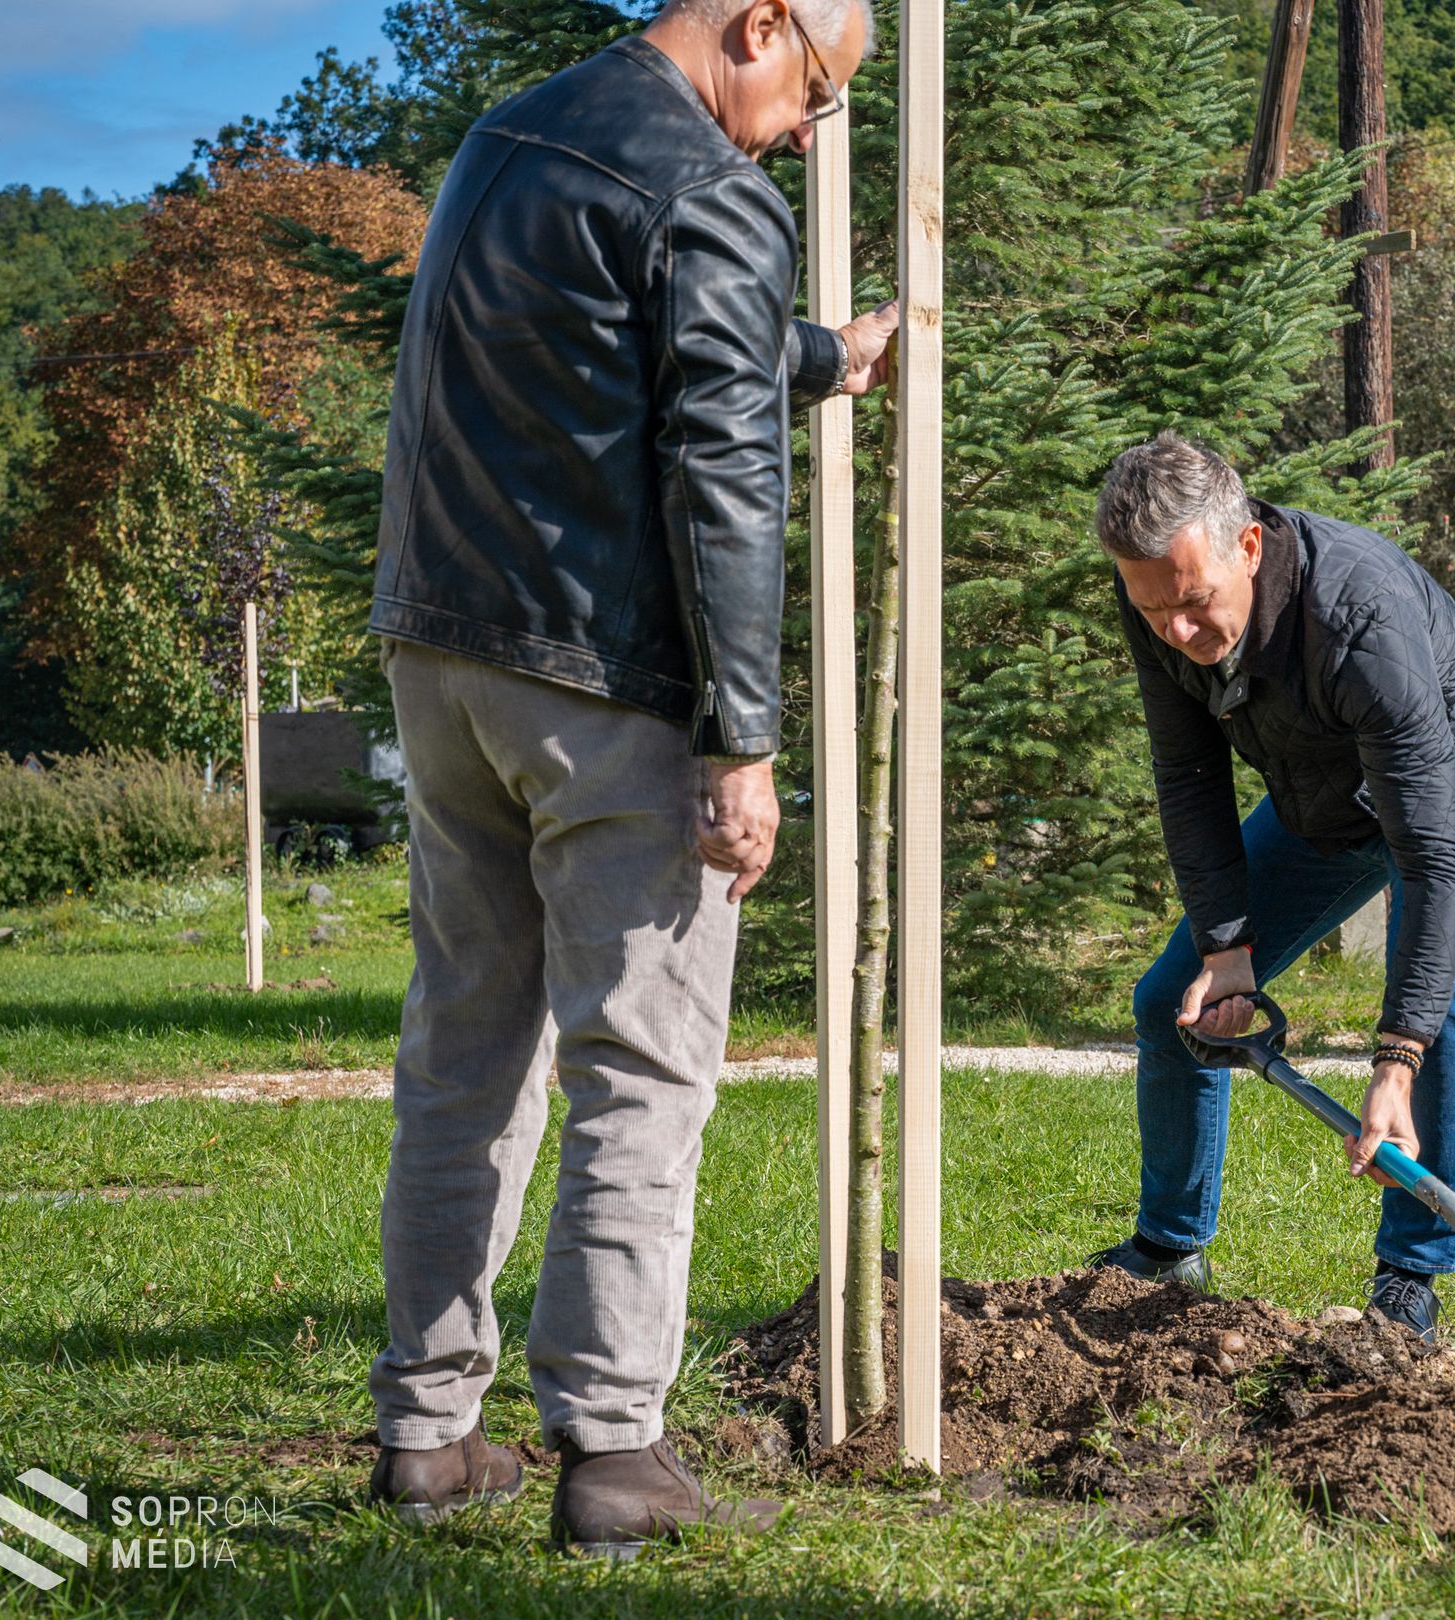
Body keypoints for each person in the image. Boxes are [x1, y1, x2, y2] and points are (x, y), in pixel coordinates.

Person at [361, 0, 896, 1557]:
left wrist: (819, 355)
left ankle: (425, 1433)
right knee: (639, 1068)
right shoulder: (717, 193)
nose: (807, 129)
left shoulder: (505, 137)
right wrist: (742, 737)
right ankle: (610, 1454)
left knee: (464, 1056)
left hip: (442, 660)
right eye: (817, 92)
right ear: (760, 25)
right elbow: (717, 466)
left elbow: (596, 351)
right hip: (602, 692)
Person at [1088, 433, 1455, 1343]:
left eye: (1193, 603)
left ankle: (1410, 1279)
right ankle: (1171, 1251)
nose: (1177, 632)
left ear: (1247, 546)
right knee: (1170, 1005)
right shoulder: (1154, 596)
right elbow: (1189, 777)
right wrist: (1226, 947)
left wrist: (1394, 1062)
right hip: (1325, 802)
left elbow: (1433, 856)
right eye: (1152, 611)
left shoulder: (1357, 617)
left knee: (1441, 996)